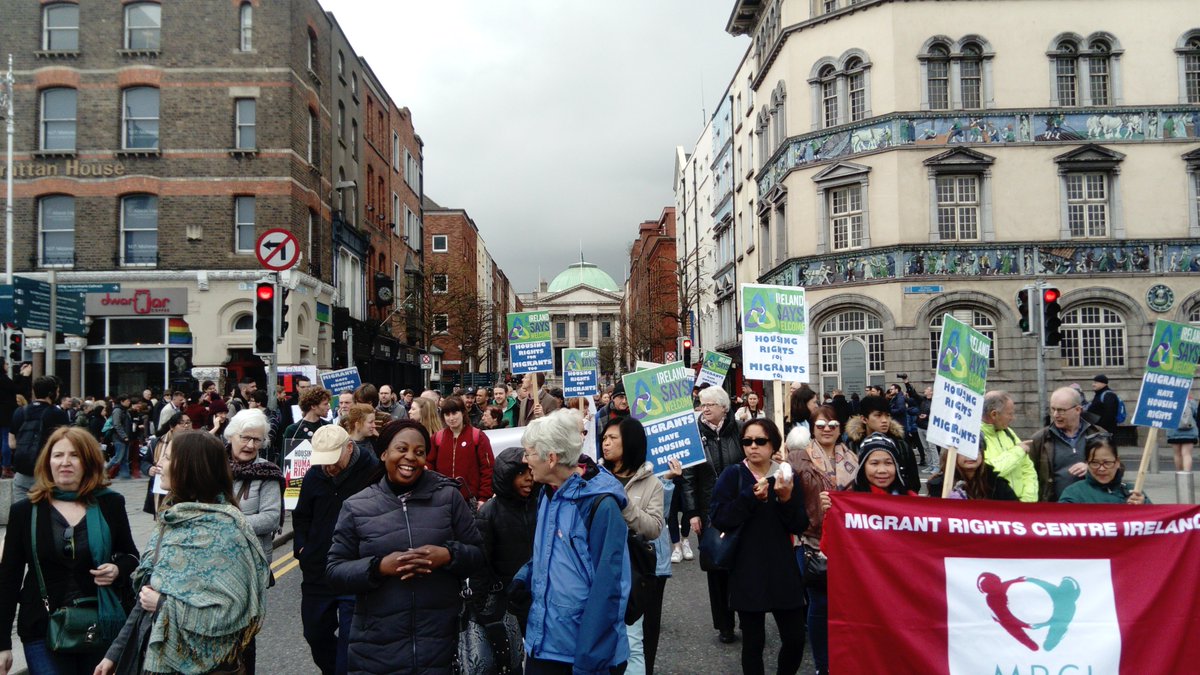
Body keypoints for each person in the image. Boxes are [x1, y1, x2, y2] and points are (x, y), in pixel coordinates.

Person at [96, 431, 269, 675]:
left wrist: (163, 605)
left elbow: (232, 612)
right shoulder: (172, 517)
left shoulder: (226, 531)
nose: (159, 465)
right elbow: (146, 593)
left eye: (166, 458)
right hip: (154, 658)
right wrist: (114, 654)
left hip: (207, 665)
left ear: (189, 466)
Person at [326, 419, 485, 674]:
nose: (410, 457)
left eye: (419, 452)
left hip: (443, 646)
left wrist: (447, 555)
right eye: (402, 449)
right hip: (376, 649)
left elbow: (478, 556)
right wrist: (378, 567)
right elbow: (335, 572)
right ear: (384, 453)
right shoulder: (357, 506)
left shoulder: (449, 497)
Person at [0, 427, 139, 675]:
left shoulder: (110, 503)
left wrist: (118, 569)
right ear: (47, 461)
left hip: (100, 625)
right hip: (41, 627)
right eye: (57, 455)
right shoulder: (26, 510)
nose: (65, 463)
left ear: (88, 461)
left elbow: (131, 555)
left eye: (74, 455)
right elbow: (8, 578)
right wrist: (2, 643)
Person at [512, 409, 631, 674]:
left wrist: (591, 660)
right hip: (544, 642)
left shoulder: (601, 505)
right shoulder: (547, 492)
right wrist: (525, 577)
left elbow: (610, 588)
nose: (524, 459)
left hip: (579, 653)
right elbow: (551, 554)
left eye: (529, 452)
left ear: (551, 458)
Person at [710, 418, 807, 675]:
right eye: (747, 441)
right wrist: (749, 498)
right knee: (753, 642)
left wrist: (785, 499)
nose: (753, 446)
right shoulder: (733, 475)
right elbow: (719, 517)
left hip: (782, 567)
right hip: (746, 566)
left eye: (760, 441)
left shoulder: (786, 475)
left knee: (795, 638)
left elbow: (799, 524)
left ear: (773, 443)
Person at [293, 424, 381, 675]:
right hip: (317, 571)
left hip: (354, 570)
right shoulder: (315, 475)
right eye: (322, 461)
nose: (328, 468)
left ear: (349, 448)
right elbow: (301, 517)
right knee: (315, 634)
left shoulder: (373, 472)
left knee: (351, 644)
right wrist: (302, 547)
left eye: (333, 460)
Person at [786, 407, 857, 675]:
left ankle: (845, 657)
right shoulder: (797, 459)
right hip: (812, 540)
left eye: (832, 424)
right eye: (821, 425)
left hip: (847, 541)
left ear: (840, 429)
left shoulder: (854, 458)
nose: (827, 429)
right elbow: (790, 501)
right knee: (819, 603)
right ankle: (823, 665)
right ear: (812, 429)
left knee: (846, 604)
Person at [599, 417, 664, 675]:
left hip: (632, 570)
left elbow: (654, 528)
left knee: (632, 640)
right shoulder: (595, 476)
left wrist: (625, 503)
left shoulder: (652, 483)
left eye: (613, 438)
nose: (606, 443)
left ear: (631, 441)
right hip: (598, 564)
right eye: (604, 438)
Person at [680, 385, 744, 644]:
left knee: (742, 565)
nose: (704, 409)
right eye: (702, 404)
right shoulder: (694, 433)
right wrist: (692, 512)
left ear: (724, 408)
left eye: (710, 405)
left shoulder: (739, 431)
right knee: (716, 568)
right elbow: (688, 477)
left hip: (740, 508)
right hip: (709, 511)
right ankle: (725, 625)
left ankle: (747, 616)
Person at [473, 447, 540, 633]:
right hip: (506, 600)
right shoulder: (489, 512)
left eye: (530, 471)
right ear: (506, 476)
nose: (528, 478)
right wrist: (481, 609)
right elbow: (481, 564)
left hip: (540, 597)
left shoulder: (542, 504)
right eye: (520, 473)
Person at [1029, 387, 1107, 502]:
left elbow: (1118, 469)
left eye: (1061, 410)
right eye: (1053, 409)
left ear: (1078, 410)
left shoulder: (1099, 435)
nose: (1055, 415)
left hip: (1092, 507)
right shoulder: (1039, 439)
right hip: (1054, 510)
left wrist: (1092, 468)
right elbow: (1027, 477)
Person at [9, 376, 72, 500]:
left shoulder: (19, 412)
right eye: (57, 391)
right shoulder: (58, 414)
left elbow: (12, 443)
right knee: (45, 515)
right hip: (46, 473)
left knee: (21, 514)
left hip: (21, 472)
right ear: (51, 393)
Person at [428, 396, 494, 506]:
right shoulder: (437, 438)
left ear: (463, 413)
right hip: (442, 499)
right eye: (447, 414)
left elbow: (488, 469)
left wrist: (484, 497)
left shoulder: (477, 436)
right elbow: (429, 464)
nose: (451, 418)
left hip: (470, 500)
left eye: (454, 413)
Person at [846, 394, 920, 493]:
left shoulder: (901, 446)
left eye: (888, 415)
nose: (885, 420)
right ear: (864, 419)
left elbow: (914, 483)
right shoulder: (852, 446)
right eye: (878, 415)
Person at [980, 391, 1039, 502]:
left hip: (1020, 508)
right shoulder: (976, 438)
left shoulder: (1008, 432)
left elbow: (1028, 469)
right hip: (996, 509)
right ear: (994, 414)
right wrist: (1018, 451)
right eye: (1010, 414)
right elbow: (987, 473)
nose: (1013, 418)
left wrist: (1028, 501)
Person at [1059, 436, 1149, 504]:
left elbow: (1156, 523)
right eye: (1095, 463)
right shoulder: (1074, 494)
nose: (1101, 469)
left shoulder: (1134, 491)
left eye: (1107, 463)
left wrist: (1144, 507)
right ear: (1086, 463)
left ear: (1117, 462)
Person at [926, 440, 1019, 500]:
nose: (970, 456)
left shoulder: (996, 483)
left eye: (976, 451)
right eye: (964, 452)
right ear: (953, 455)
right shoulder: (939, 485)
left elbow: (1015, 510)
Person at [848, 434, 918, 496]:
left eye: (888, 463)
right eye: (874, 463)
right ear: (862, 467)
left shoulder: (911, 500)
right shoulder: (849, 501)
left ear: (896, 466)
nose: (882, 470)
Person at [1167, 392, 1198, 472]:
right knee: (1187, 454)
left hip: (1173, 431)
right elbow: (1196, 415)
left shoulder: (1169, 401)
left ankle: (1179, 476)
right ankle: (1186, 476)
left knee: (1177, 455)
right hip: (1189, 432)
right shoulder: (1191, 402)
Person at [0, 358, 18, 479]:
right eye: (6, 364)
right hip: (5, 415)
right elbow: (15, 392)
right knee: (6, 440)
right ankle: (6, 466)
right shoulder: (5, 380)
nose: (8, 366)